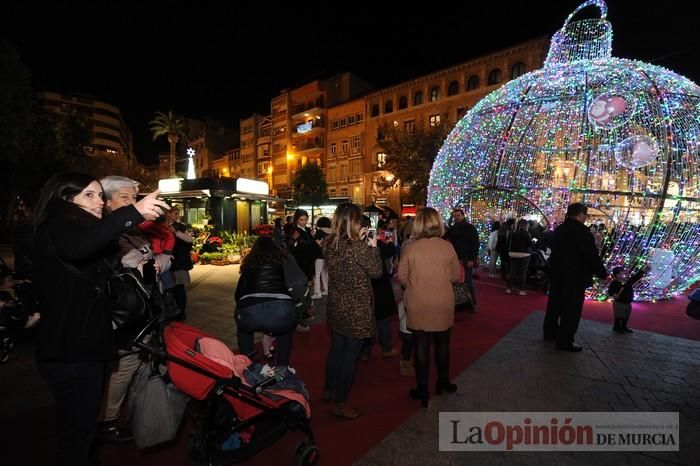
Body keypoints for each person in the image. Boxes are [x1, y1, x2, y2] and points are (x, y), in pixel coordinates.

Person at [32, 172, 168, 466]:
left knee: (81, 431)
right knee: (76, 435)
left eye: (99, 195)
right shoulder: (58, 226)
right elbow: (80, 247)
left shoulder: (81, 229)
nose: (99, 202)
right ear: (65, 200)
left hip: (83, 345)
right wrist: (134, 212)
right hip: (70, 350)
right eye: (89, 195)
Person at [96, 175, 157, 444]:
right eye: (125, 197)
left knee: (138, 365)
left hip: (144, 311)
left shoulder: (132, 229)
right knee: (122, 368)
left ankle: (131, 414)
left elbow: (147, 258)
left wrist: (157, 263)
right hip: (123, 317)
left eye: (135, 197)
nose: (133, 203)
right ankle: (107, 422)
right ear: (106, 202)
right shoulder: (105, 233)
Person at [321, 203, 382, 420]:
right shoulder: (359, 248)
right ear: (354, 222)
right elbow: (376, 272)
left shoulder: (329, 244)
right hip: (356, 309)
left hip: (337, 306)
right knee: (350, 356)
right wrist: (373, 246)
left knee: (336, 349)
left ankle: (328, 389)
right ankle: (340, 402)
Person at [398, 207, 461, 407]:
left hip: (418, 301)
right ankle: (443, 381)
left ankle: (422, 388)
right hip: (443, 300)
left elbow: (401, 277)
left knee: (421, 346)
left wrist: (416, 286)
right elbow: (454, 276)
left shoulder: (410, 248)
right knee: (443, 345)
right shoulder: (447, 247)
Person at [543, 203, 607, 352]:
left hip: (557, 274)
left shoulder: (560, 229)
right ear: (580, 215)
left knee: (554, 305)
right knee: (571, 310)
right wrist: (602, 273)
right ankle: (565, 340)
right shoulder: (583, 233)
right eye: (585, 215)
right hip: (575, 277)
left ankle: (550, 332)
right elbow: (591, 256)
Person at [234, 236, 298, 367]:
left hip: (250, 311)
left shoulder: (249, 264)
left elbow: (238, 294)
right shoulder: (285, 260)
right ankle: (281, 370)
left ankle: (248, 366)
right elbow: (297, 283)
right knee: (285, 330)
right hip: (282, 310)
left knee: (244, 329)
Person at [359, 215, 399, 361]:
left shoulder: (352, 242)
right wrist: (388, 243)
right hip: (377, 284)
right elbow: (388, 252)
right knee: (382, 319)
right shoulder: (372, 239)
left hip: (364, 285)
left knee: (367, 320)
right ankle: (386, 348)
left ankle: (365, 351)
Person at [445, 208, 480, 310]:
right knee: (456, 282)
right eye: (455, 216)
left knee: (467, 282)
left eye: (458, 215)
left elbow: (475, 244)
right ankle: (460, 304)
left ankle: (472, 304)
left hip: (466, 259)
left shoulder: (470, 228)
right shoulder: (452, 229)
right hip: (455, 259)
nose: (456, 218)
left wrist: (471, 259)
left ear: (463, 216)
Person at [167, 206, 193, 320]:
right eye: (175, 213)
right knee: (170, 288)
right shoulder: (161, 226)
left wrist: (176, 232)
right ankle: (172, 310)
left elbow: (189, 240)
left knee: (179, 288)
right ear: (168, 214)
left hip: (179, 262)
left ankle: (181, 312)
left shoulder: (180, 227)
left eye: (178, 214)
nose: (177, 216)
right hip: (167, 262)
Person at [608, 264, 651, 333]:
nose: (624, 274)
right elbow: (610, 291)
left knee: (626, 315)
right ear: (617, 275)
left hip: (628, 302)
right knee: (619, 315)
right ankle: (616, 327)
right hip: (620, 302)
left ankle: (623, 326)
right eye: (622, 273)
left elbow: (635, 278)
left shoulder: (626, 282)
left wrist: (643, 271)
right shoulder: (615, 283)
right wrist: (614, 294)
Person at [505, 219, 533, 296]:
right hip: (524, 254)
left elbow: (507, 243)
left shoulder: (512, 232)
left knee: (512, 272)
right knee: (522, 272)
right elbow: (530, 244)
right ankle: (521, 289)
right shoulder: (526, 233)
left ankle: (509, 288)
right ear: (525, 225)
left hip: (512, 253)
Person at [311, 216, 331, 299]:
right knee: (325, 274)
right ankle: (326, 290)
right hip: (328, 255)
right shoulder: (332, 232)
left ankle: (317, 292)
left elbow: (316, 243)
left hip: (319, 256)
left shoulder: (319, 232)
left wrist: (313, 236)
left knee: (317, 275)